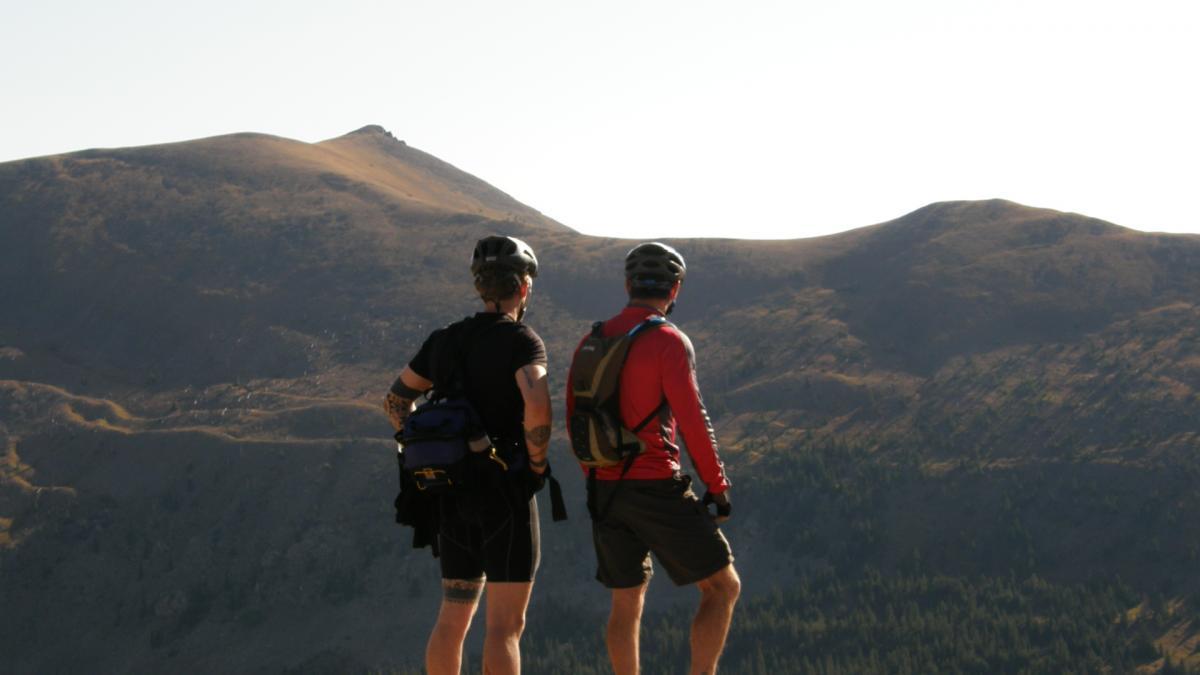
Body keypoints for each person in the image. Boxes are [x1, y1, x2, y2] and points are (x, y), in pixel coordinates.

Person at [566, 242, 740, 675]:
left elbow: (574, 418)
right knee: (722, 586)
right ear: (675, 288)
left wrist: (596, 474)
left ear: (627, 285)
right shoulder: (667, 341)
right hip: (655, 483)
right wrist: (716, 488)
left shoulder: (593, 338)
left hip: (603, 487)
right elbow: (693, 421)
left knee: (626, 599)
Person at [384, 235, 552, 675]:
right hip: (505, 492)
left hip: (450, 491)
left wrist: (418, 443)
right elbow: (537, 405)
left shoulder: (444, 340)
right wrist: (535, 463)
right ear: (524, 287)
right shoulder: (523, 341)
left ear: (481, 287)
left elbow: (395, 402)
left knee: (454, 617)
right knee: (504, 628)